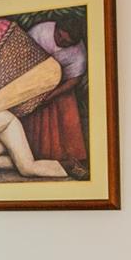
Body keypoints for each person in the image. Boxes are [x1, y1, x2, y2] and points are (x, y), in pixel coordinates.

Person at [22, 18, 89, 178]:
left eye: (67, 43)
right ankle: (39, 158)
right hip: (32, 80)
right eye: (59, 36)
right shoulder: (40, 31)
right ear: (56, 29)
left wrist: (52, 95)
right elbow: (22, 55)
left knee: (66, 108)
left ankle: (73, 160)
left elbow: (74, 80)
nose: (61, 42)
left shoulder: (79, 54)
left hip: (60, 86)